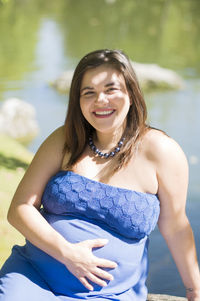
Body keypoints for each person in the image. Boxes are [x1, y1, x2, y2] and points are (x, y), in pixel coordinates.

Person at [0, 49, 200, 301]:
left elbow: (176, 227)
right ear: (78, 101)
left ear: (131, 92)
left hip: (110, 293)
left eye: (111, 89)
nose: (100, 100)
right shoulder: (64, 140)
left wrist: (194, 290)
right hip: (33, 277)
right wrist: (67, 253)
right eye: (89, 93)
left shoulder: (161, 151)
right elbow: (19, 208)